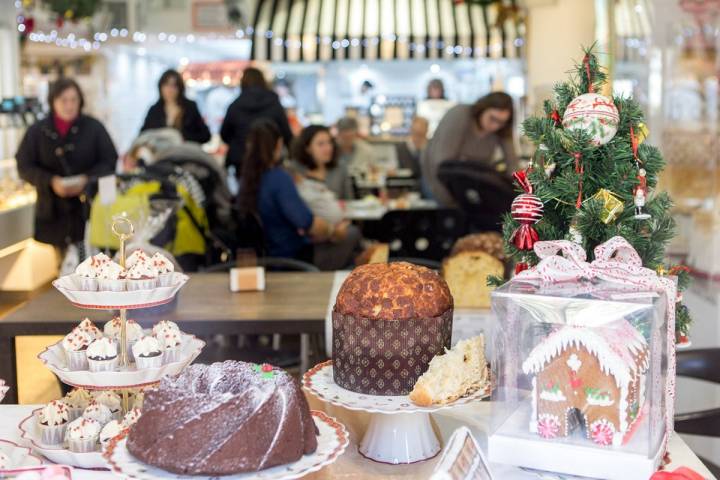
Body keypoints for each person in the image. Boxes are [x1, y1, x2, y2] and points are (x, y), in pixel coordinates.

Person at [16, 78, 117, 252]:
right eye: (63, 100)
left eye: (74, 99)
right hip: (53, 211)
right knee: (63, 267)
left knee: (97, 263)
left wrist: (87, 179)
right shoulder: (37, 131)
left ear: (80, 101)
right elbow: (24, 165)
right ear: (52, 101)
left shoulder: (94, 127)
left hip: (90, 209)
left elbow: (109, 159)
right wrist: (50, 181)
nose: (69, 105)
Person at [238, 120, 352, 269]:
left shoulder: (247, 179)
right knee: (352, 235)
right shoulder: (279, 178)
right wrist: (333, 232)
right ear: (279, 145)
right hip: (291, 257)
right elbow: (305, 221)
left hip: (266, 256)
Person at [422, 91, 518, 206]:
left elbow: (512, 162)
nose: (495, 126)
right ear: (483, 109)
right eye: (492, 118)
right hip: (437, 178)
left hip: (470, 183)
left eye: (501, 122)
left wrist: (517, 195)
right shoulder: (460, 114)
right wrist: (450, 203)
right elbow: (441, 163)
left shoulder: (502, 129)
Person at [292, 126, 362, 270]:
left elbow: (349, 201)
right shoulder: (297, 174)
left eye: (329, 142)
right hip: (315, 236)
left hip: (341, 226)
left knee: (355, 236)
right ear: (307, 147)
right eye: (321, 144)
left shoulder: (339, 169)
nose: (327, 148)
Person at [221, 68, 293, 173]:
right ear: (262, 81)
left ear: (243, 83)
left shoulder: (235, 105)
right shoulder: (274, 103)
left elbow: (225, 134)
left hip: (243, 160)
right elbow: (286, 133)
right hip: (270, 158)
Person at [140, 69, 211, 144]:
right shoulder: (154, 110)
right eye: (166, 85)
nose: (170, 90)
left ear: (180, 88)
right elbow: (143, 135)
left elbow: (206, 135)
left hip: (183, 152)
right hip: (160, 153)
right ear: (160, 87)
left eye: (174, 86)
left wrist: (183, 138)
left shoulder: (190, 107)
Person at [335, 116, 376, 181]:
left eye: (350, 132)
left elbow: (375, 170)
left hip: (361, 187)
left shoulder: (367, 150)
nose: (347, 135)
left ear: (356, 133)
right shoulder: (330, 150)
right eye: (344, 131)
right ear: (338, 133)